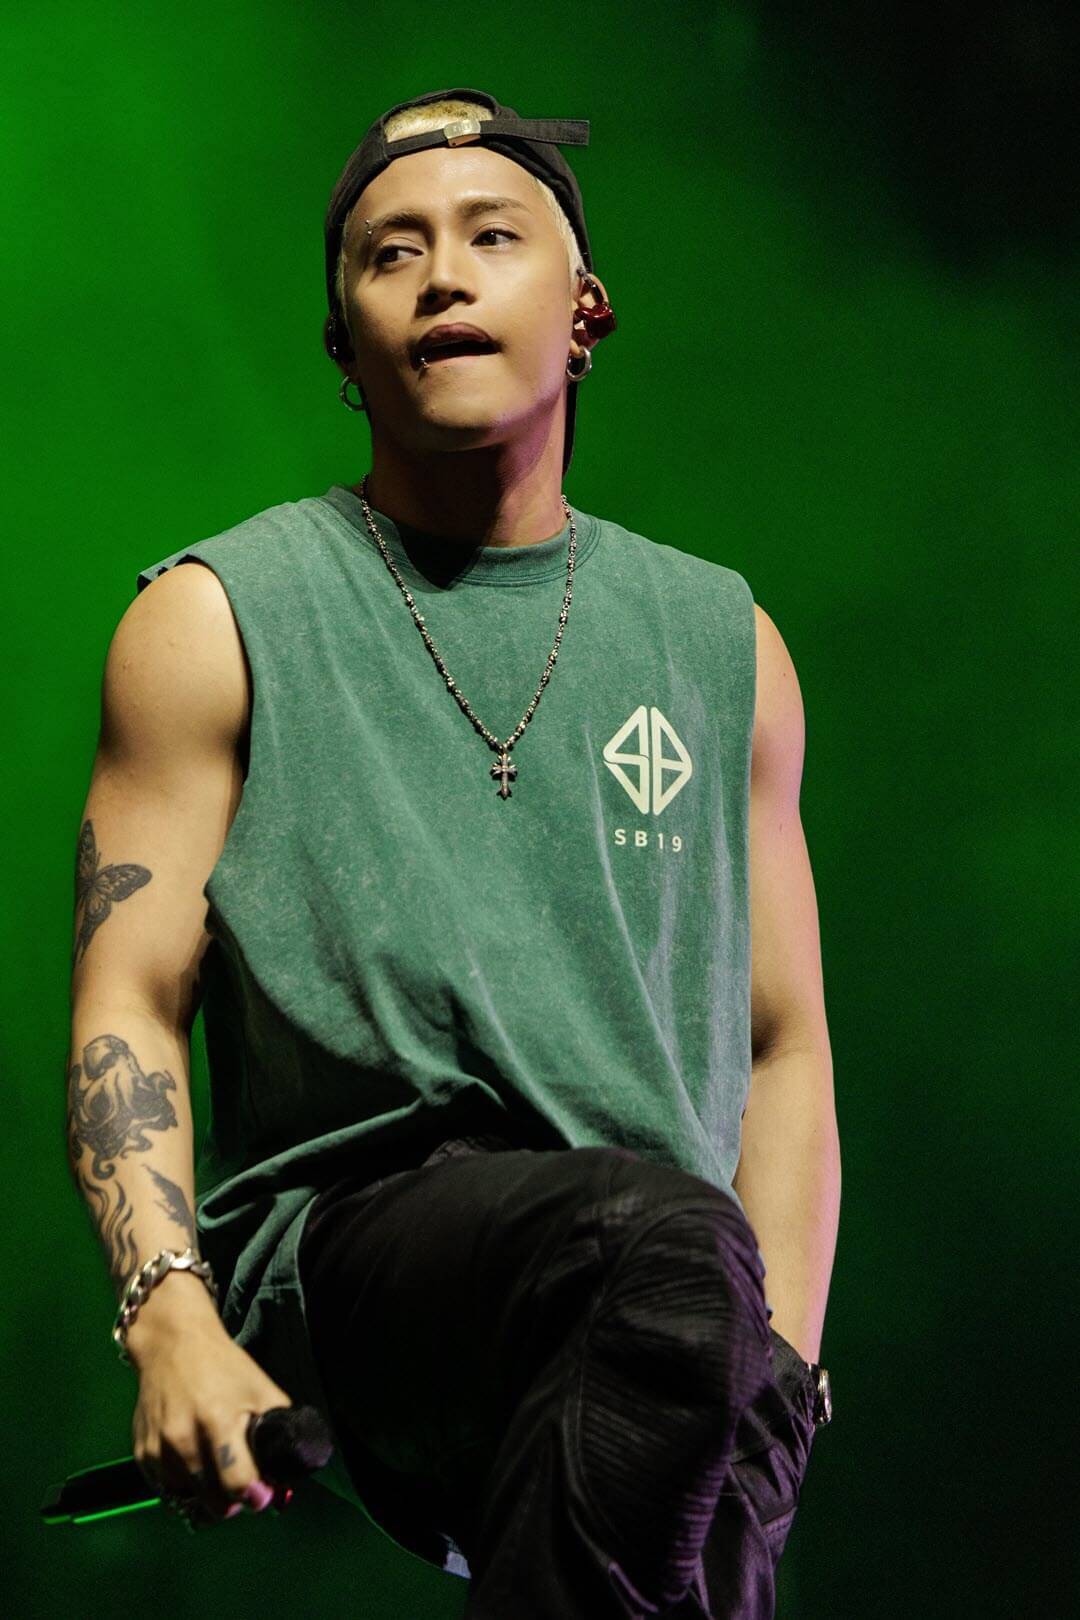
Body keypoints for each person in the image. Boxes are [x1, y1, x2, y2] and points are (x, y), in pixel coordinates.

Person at [65, 87, 840, 1616]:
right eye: (392, 252)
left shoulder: (725, 646)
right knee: (666, 1257)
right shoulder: (213, 620)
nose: (442, 276)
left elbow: (785, 1044)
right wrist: (171, 1320)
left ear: (586, 311)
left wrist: (786, 1380)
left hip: (665, 1312)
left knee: (704, 1460)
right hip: (360, 1264)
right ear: (344, 344)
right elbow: (128, 1000)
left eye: (493, 236)